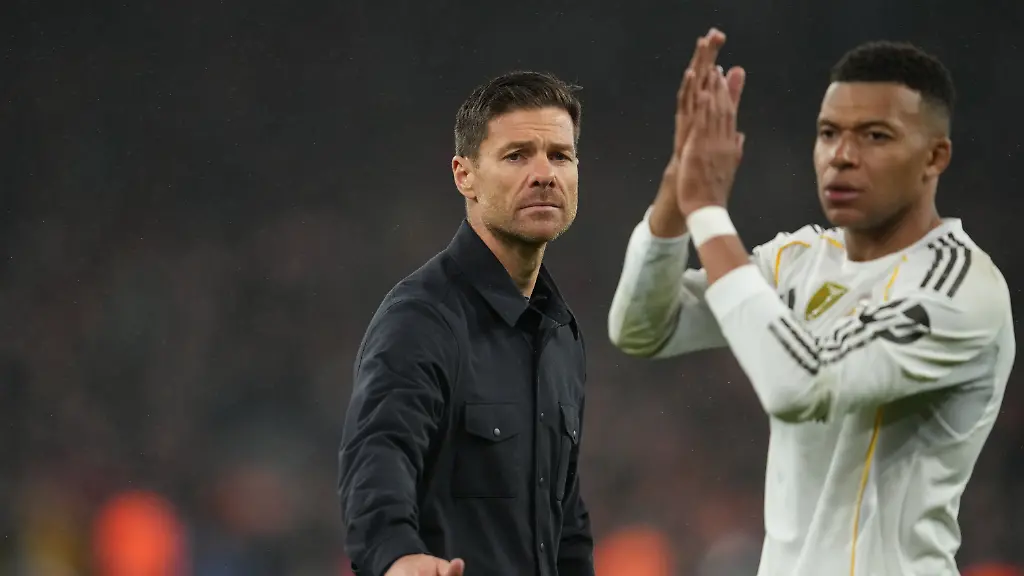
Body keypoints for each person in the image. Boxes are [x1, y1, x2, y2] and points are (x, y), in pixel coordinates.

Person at [608, 30, 1015, 576]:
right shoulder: (798, 261)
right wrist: (675, 192)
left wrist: (706, 210)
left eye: (875, 136)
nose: (842, 156)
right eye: (829, 133)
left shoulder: (957, 288)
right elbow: (643, 327)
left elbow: (801, 386)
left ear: (934, 156)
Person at [339, 71, 594, 576]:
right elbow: (379, 452)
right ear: (464, 175)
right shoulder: (421, 319)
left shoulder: (561, 333)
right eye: (517, 155)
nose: (544, 174)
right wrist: (396, 556)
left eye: (560, 155)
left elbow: (565, 517)